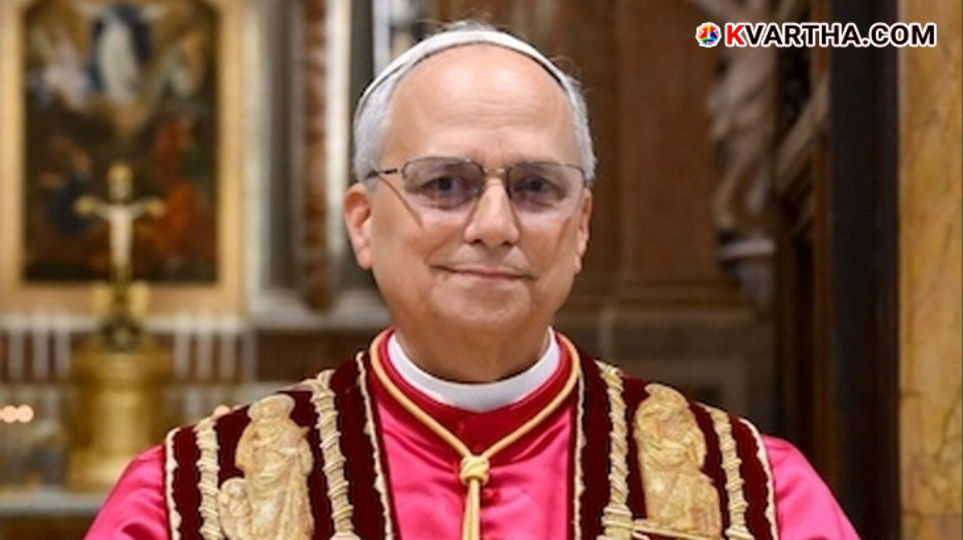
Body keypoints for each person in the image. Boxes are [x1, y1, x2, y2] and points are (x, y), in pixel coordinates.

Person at [82, 21, 860, 540]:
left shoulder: (754, 498)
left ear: (580, 225)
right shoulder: (189, 502)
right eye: (444, 184)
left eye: (535, 187)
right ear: (362, 220)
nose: (493, 225)